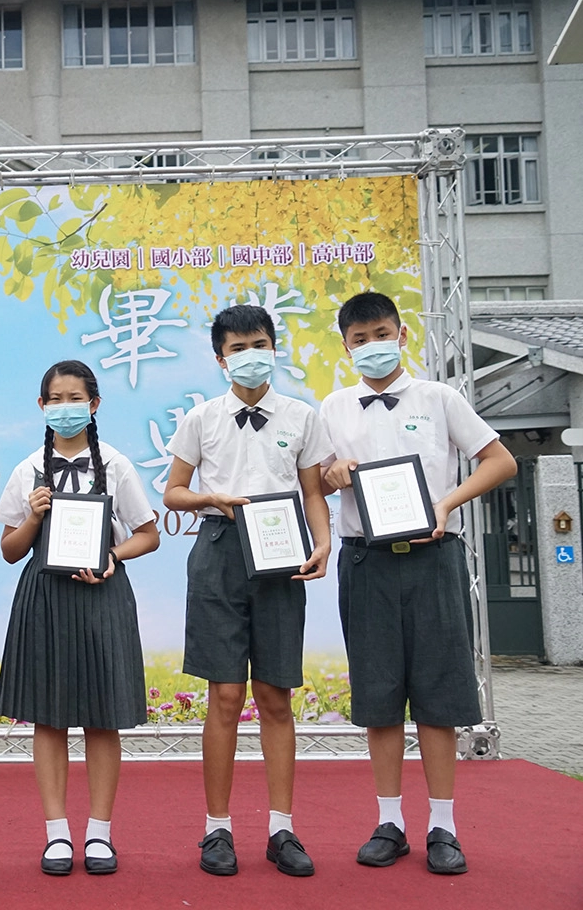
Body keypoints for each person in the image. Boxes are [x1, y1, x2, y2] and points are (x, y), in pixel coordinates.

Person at [319, 291, 515, 876]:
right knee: (379, 699)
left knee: (438, 696)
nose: (371, 346)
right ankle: (389, 822)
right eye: (359, 339)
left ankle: (443, 827)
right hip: (366, 563)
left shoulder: (439, 397)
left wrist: (445, 503)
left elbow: (500, 461)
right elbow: (321, 481)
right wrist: (332, 475)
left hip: (434, 560)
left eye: (381, 333)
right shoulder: (332, 408)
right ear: (347, 346)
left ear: (402, 335)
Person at [162, 304, 333, 878]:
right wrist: (214, 500)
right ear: (220, 358)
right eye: (237, 348)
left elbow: (313, 493)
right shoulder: (202, 418)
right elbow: (174, 493)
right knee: (226, 698)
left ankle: (282, 829)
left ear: (273, 347)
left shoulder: (302, 417)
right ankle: (217, 830)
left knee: (277, 697)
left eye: (258, 344)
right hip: (220, 552)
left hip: (283, 553)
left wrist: (323, 541)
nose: (249, 355)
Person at [0, 359, 160, 877]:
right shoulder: (26, 470)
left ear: (94, 404)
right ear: (42, 407)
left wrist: (114, 556)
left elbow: (148, 533)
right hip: (45, 597)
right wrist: (35, 515)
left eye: (75, 399)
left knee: (102, 715)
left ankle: (101, 833)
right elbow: (9, 549)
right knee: (49, 715)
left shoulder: (116, 462)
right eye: (55, 400)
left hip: (103, 597)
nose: (66, 409)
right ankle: (57, 833)